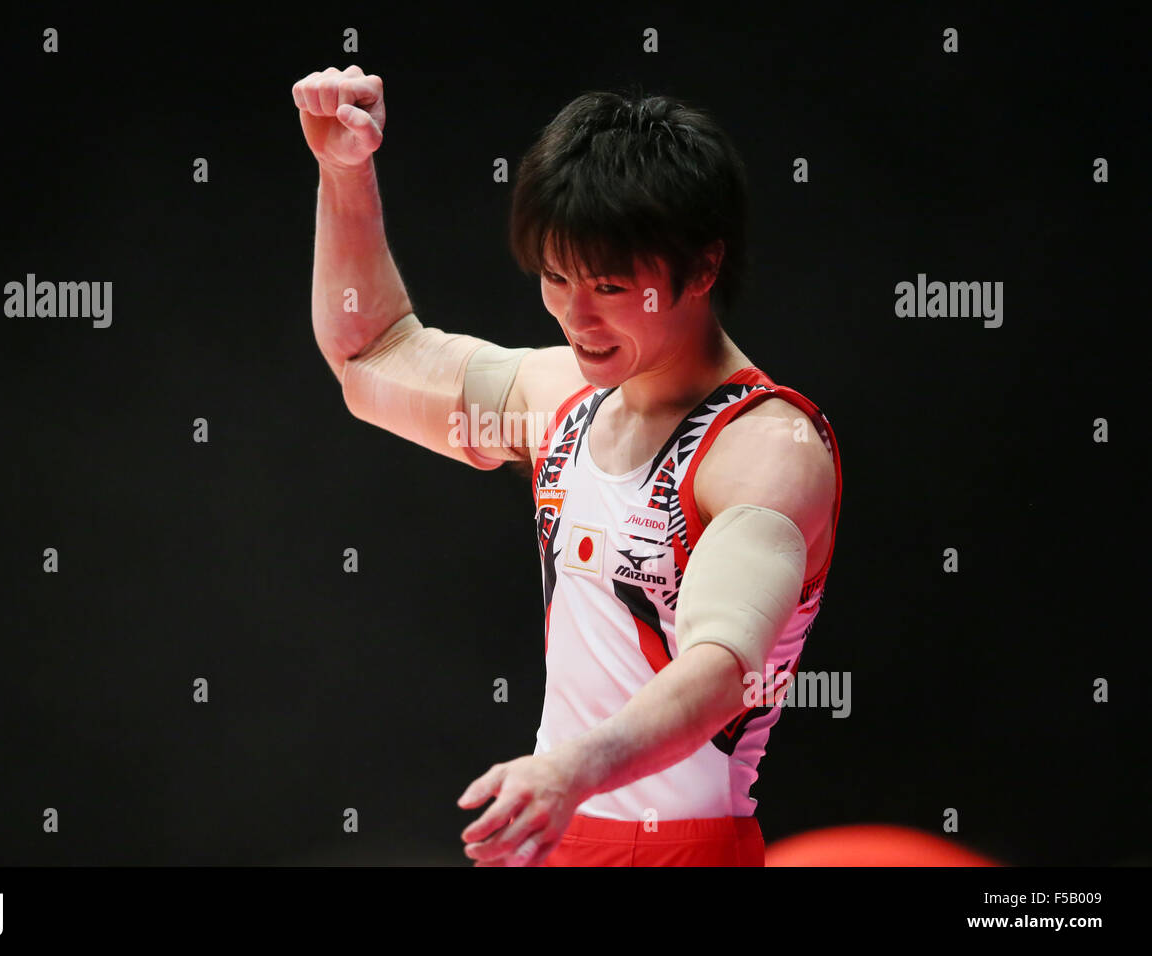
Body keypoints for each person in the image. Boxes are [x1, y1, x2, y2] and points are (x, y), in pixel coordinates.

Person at [297, 64, 842, 866]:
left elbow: (721, 668)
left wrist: (572, 769)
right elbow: (367, 354)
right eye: (556, 278)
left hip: (676, 851)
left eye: (611, 286)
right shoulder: (560, 398)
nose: (574, 317)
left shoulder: (767, 448)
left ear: (700, 269)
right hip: (555, 834)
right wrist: (344, 172)